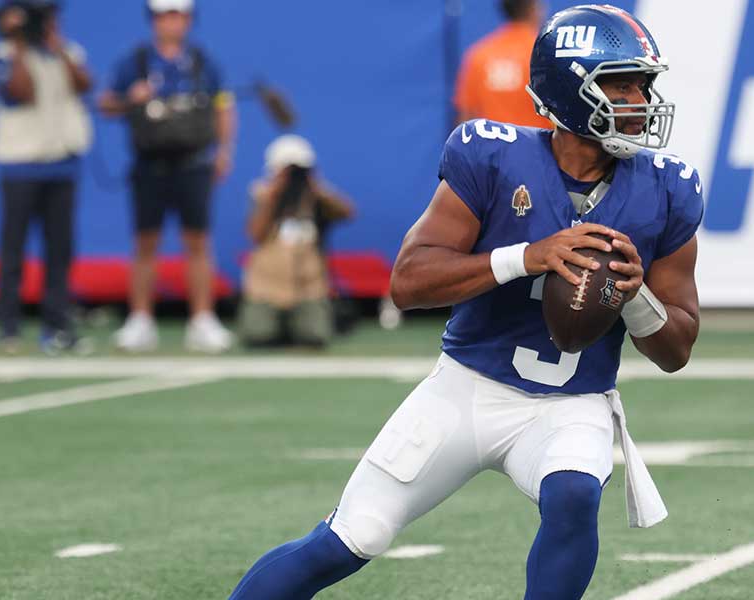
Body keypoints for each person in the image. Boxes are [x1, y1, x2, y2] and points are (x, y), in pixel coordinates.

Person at [228, 5, 702, 599]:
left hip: (572, 402)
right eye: (620, 85)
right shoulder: (493, 156)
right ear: (568, 88)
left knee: (575, 493)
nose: (639, 101)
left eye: (643, 85)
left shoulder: (667, 186)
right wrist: (525, 257)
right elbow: (408, 282)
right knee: (353, 535)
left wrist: (635, 298)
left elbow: (677, 349)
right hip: (467, 388)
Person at [98, 0, 237, 353]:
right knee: (145, 243)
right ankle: (140, 320)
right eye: (163, 15)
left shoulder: (202, 62)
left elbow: (224, 106)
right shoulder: (136, 61)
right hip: (150, 164)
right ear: (153, 20)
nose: (170, 22)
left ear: (188, 19)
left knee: (198, 241)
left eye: (177, 15)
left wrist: (224, 151)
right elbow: (106, 103)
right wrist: (131, 98)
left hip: (193, 163)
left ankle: (202, 319)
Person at [0, 0, 91, 354]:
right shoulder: (5, 54)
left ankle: (58, 325)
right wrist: (20, 44)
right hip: (21, 163)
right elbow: (21, 92)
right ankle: (9, 325)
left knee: (60, 249)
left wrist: (58, 48)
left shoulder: (66, 52)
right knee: (14, 249)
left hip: (62, 162)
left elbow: (85, 84)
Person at [238, 135, 354, 348]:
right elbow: (255, 234)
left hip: (308, 288)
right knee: (258, 335)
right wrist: (272, 196)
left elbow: (348, 212)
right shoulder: (262, 195)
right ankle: (278, 327)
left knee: (314, 336)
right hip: (266, 288)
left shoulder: (317, 198)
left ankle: (295, 327)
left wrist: (317, 188)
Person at [454, 0, 551, 128]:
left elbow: (465, 116)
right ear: (532, 8)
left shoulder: (479, 54)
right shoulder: (543, 53)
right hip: (537, 139)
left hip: (492, 140)